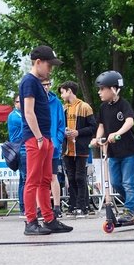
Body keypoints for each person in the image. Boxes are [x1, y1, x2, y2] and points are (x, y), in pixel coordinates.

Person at [19, 45, 73, 235]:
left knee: (44, 179)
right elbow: (28, 111)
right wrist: (39, 136)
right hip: (36, 138)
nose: (50, 69)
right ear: (38, 62)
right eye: (49, 65)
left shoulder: (37, 83)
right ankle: (31, 222)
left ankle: (49, 219)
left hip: (44, 138)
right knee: (33, 180)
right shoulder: (29, 82)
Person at [92, 70, 134, 223]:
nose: (99, 92)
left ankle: (129, 209)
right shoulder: (103, 107)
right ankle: (132, 204)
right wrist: (97, 138)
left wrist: (117, 133)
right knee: (116, 183)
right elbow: (101, 126)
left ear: (113, 88)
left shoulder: (123, 104)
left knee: (128, 182)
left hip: (128, 150)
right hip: (113, 152)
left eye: (102, 89)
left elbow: (129, 121)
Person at [59, 81, 96, 217]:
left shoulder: (85, 107)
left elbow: (93, 127)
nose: (61, 95)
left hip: (80, 147)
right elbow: (58, 126)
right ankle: (73, 205)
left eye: (63, 92)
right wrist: (64, 131)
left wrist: (78, 132)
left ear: (69, 91)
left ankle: (83, 206)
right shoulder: (63, 108)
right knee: (71, 178)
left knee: (80, 177)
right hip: (67, 148)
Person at [43, 79, 66, 218]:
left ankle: (57, 206)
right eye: (43, 84)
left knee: (53, 176)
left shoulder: (56, 102)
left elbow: (61, 124)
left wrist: (57, 141)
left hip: (53, 146)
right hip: (39, 145)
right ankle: (41, 207)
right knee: (40, 178)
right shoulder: (35, 101)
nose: (46, 87)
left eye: (48, 84)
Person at [7, 93, 27, 214]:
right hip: (20, 149)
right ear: (15, 103)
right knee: (25, 179)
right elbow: (26, 126)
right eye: (18, 102)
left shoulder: (22, 114)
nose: (21, 104)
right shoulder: (14, 116)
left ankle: (23, 206)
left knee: (23, 179)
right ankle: (24, 207)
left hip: (23, 148)